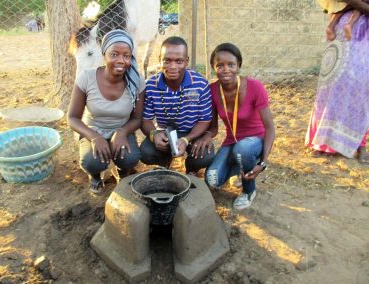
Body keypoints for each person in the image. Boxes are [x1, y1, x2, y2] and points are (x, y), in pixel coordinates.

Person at [197, 43, 275, 210]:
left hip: (255, 140)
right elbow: (214, 128)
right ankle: (237, 168)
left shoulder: (255, 87)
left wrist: (263, 162)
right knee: (212, 180)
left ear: (238, 65)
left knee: (244, 149)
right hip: (231, 141)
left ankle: (248, 191)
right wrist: (206, 136)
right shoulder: (212, 90)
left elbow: (270, 128)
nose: (226, 70)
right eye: (220, 65)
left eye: (231, 65)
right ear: (213, 67)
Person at [68, 29, 145, 194]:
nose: (121, 60)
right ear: (104, 54)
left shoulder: (136, 81)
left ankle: (123, 172)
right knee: (92, 162)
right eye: (114, 54)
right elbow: (73, 118)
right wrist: (95, 137)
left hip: (121, 129)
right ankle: (95, 176)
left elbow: (137, 118)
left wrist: (122, 132)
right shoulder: (86, 78)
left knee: (130, 158)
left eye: (126, 56)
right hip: (93, 130)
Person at [306, 0, 369, 164]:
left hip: (363, 34)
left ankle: (359, 144)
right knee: (331, 88)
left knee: (360, 90)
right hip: (341, 33)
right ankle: (322, 142)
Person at [140, 36, 215, 174]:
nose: (173, 66)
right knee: (146, 152)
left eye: (179, 61)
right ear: (160, 59)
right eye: (167, 60)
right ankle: (165, 161)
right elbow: (145, 119)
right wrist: (154, 134)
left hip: (193, 132)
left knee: (205, 155)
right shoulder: (151, 85)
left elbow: (205, 120)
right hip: (166, 132)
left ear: (186, 61)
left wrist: (186, 139)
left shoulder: (200, 84)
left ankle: (191, 169)